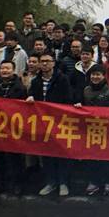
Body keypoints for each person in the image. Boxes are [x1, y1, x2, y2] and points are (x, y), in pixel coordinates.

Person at [27, 52, 73, 197]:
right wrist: (30, 98)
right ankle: (51, 182)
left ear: (53, 63)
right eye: (42, 61)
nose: (45, 63)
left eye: (48, 61)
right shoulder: (36, 81)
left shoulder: (62, 79)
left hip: (60, 121)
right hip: (43, 123)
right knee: (46, 154)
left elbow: (68, 99)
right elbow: (32, 96)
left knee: (61, 153)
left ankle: (63, 183)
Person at [0, 60, 27, 195]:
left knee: (15, 158)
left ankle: (17, 184)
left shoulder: (20, 88)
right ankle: (0, 184)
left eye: (8, 68)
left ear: (13, 70)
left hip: (14, 128)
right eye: (2, 68)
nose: (5, 71)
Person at [74, 64, 109, 196]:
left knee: (106, 157)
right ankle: (93, 181)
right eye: (93, 74)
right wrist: (78, 106)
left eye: (98, 74)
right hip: (90, 129)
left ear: (104, 76)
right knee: (91, 157)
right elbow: (79, 104)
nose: (95, 77)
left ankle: (108, 181)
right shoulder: (85, 90)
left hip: (107, 130)